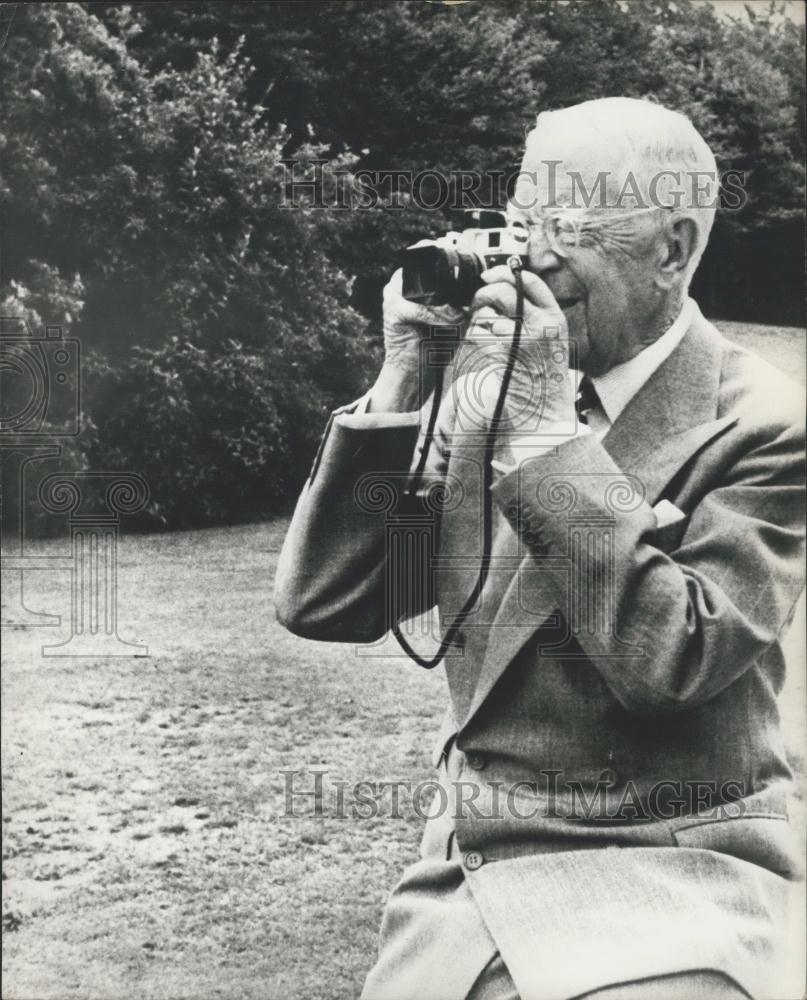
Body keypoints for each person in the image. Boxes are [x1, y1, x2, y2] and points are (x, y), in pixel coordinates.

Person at [274, 98, 805, 1000]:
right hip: (473, 878)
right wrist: (405, 374)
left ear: (671, 250)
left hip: (675, 869)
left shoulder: (762, 427)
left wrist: (544, 437)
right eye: (520, 221)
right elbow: (334, 601)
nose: (531, 255)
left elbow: (671, 659)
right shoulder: (492, 386)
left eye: (566, 226)